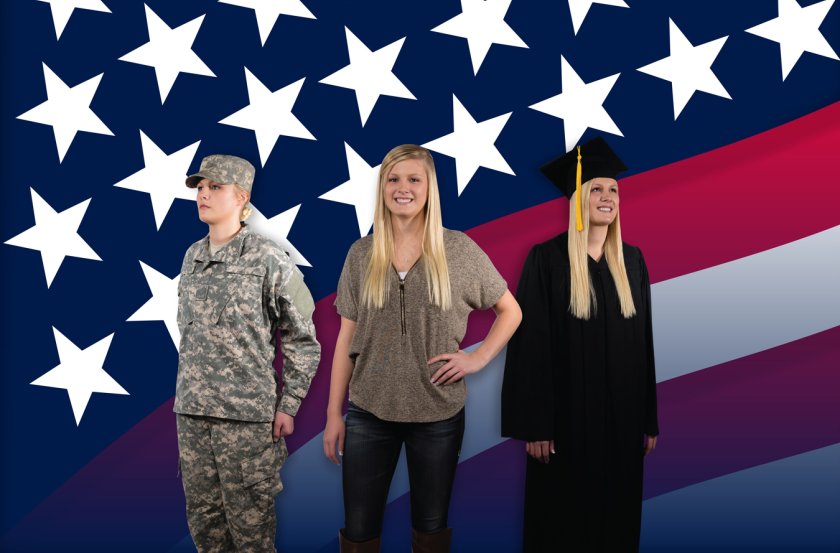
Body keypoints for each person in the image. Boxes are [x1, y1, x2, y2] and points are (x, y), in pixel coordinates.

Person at [323, 145, 522, 552]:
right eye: (393, 179)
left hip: (437, 414)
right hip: (368, 412)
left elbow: (511, 311)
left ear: (430, 188)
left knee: (430, 528)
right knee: (359, 531)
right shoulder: (361, 254)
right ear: (382, 189)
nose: (403, 188)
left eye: (414, 179)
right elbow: (346, 338)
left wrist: (478, 357)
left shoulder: (459, 250)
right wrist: (332, 413)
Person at [501, 137, 659, 552]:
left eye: (613, 190)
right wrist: (535, 424)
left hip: (623, 425)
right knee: (562, 522)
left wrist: (648, 418)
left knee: (617, 520)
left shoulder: (634, 262)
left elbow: (645, 346)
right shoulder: (547, 259)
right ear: (577, 199)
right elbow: (529, 346)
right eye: (595, 189)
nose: (607, 197)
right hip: (564, 428)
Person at [174, 154, 321, 552]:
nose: (203, 194)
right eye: (200, 188)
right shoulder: (191, 256)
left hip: (245, 421)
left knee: (251, 534)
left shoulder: (268, 258)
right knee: (205, 529)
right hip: (192, 416)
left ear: (242, 197)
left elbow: (303, 338)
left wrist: (289, 404)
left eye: (214, 187)